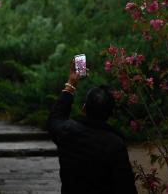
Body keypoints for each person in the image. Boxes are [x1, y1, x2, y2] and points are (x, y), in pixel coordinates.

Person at [47, 58, 138, 194]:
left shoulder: (67, 132)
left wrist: (71, 83)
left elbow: (55, 118)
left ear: (84, 108)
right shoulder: (115, 144)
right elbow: (126, 186)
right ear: (110, 114)